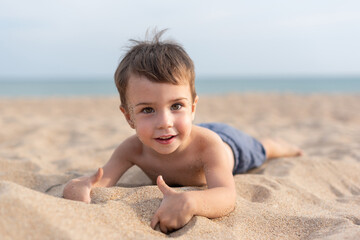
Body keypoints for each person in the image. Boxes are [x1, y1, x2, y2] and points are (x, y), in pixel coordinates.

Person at [63, 29, 302, 234]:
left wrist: (190, 201)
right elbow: (102, 181)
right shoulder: (131, 149)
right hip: (186, 132)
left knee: (260, 150)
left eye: (176, 106)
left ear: (193, 107)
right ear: (129, 117)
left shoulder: (209, 145)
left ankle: (274, 144)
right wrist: (80, 187)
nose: (165, 122)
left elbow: (226, 196)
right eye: (148, 110)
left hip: (229, 144)